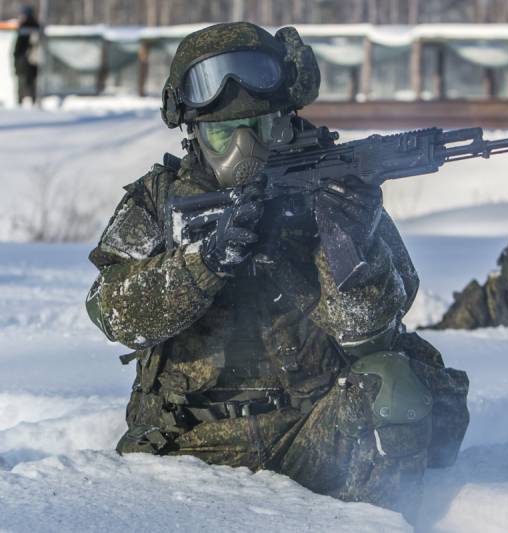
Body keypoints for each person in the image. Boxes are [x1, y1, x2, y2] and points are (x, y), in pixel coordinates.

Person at [85, 22, 468, 521]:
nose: (243, 148)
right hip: (189, 446)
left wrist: (351, 234)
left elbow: (371, 330)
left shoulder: (329, 185)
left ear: (285, 121)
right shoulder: (159, 202)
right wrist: (204, 263)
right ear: (193, 132)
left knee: (392, 383)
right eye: (223, 132)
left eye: (261, 128)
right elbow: (113, 312)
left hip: (313, 429)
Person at [13, 5, 41, 106]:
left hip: (25, 60)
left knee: (24, 81)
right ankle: (31, 101)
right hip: (30, 60)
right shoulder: (35, 26)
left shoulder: (26, 27)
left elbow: (20, 47)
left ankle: (22, 102)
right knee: (30, 81)